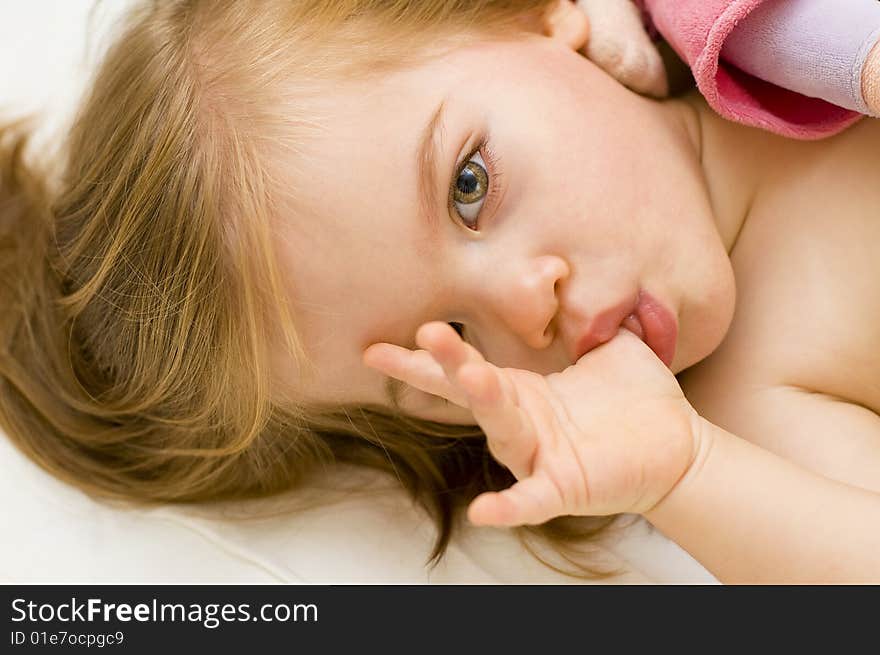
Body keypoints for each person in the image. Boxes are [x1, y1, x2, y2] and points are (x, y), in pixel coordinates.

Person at [1, 0, 877, 583]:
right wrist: (686, 472)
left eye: (469, 184)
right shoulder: (753, 412)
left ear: (544, 17)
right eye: (444, 341)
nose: (524, 310)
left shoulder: (744, 21)